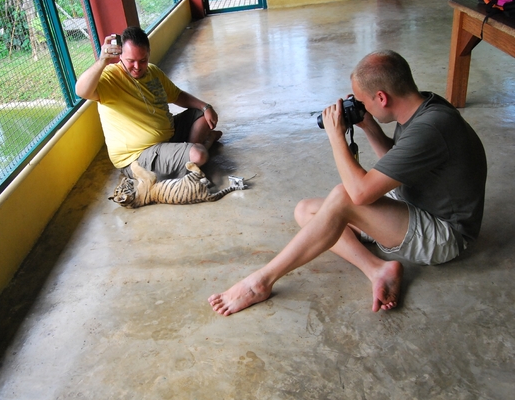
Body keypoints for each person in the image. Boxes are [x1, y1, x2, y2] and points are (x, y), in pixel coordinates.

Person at [208, 50, 487, 315]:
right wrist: (369, 125)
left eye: (363, 102)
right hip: (414, 204)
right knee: (306, 210)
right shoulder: (420, 106)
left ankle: (261, 282)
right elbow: (398, 160)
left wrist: (336, 137)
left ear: (382, 97)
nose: (361, 106)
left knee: (343, 197)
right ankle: (377, 269)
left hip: (446, 234)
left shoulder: (431, 127)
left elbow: (360, 193)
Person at [75, 26, 222, 180]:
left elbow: (177, 95)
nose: (137, 67)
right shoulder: (109, 77)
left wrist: (205, 106)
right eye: (131, 61)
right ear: (120, 55)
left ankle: (186, 158)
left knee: (202, 115)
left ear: (149, 53)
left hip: (167, 138)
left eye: (143, 60)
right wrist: (101, 62)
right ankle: (198, 150)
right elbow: (81, 91)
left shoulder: (153, 71)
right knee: (199, 155)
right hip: (138, 156)